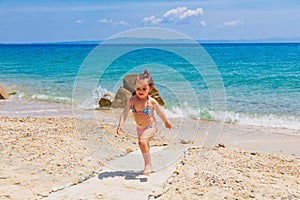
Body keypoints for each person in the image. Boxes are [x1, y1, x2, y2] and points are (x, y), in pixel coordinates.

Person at [117, 69, 172, 175]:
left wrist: (166, 122)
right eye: (138, 88)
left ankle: (148, 165)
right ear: (135, 88)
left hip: (151, 127)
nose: (140, 91)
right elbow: (124, 112)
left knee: (142, 142)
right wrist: (120, 124)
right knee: (143, 144)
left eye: (144, 88)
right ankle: (148, 162)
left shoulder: (151, 101)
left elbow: (160, 113)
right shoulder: (132, 100)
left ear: (150, 89)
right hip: (139, 128)